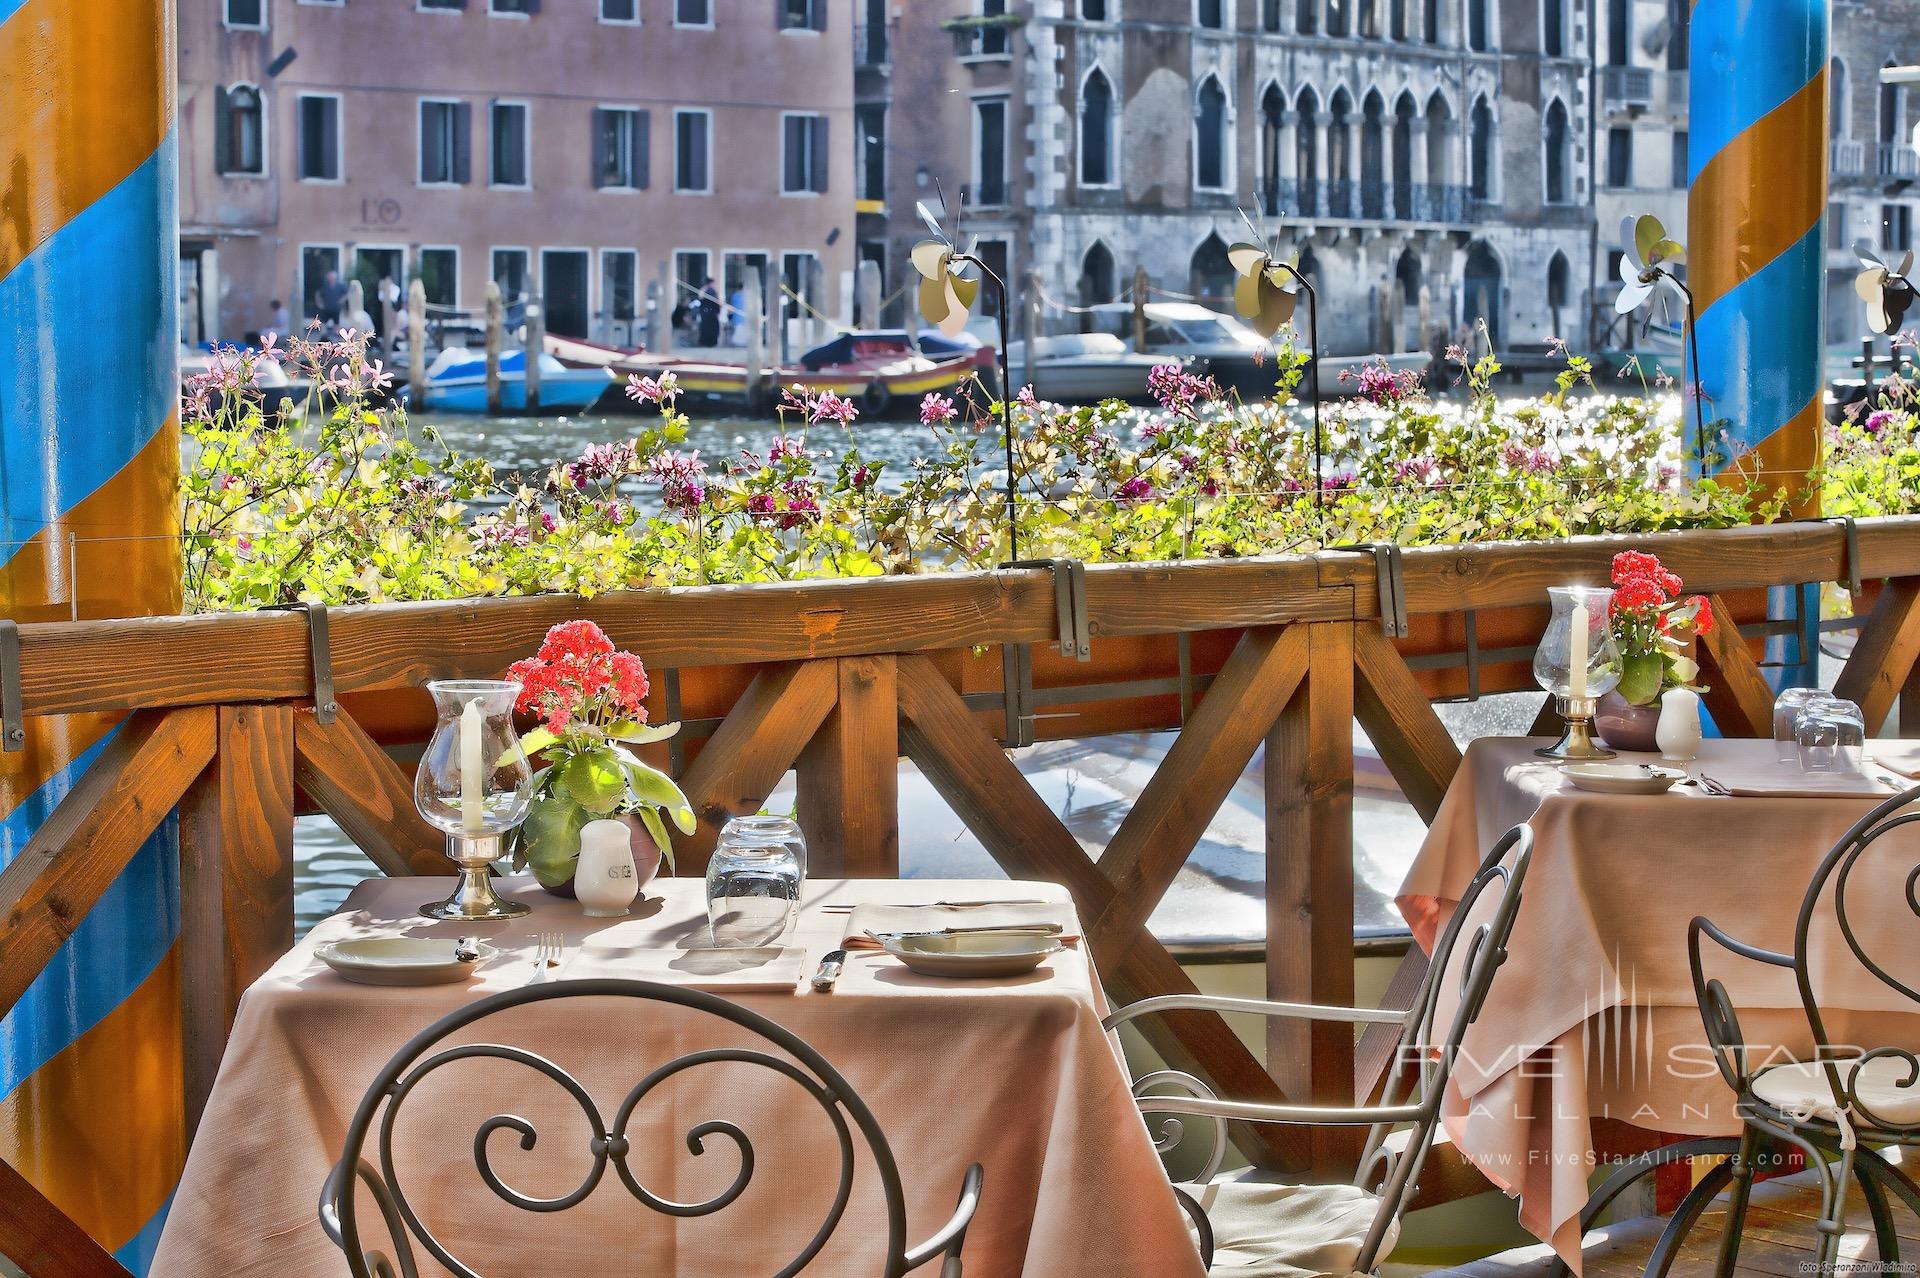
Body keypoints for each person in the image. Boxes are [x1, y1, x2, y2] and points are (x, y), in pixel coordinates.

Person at [696, 278, 721, 348]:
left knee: (712, 328)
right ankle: (706, 343)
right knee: (707, 328)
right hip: (707, 313)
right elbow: (701, 299)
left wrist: (717, 312)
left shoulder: (713, 291)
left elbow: (716, 303)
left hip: (711, 313)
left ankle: (710, 343)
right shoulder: (705, 291)